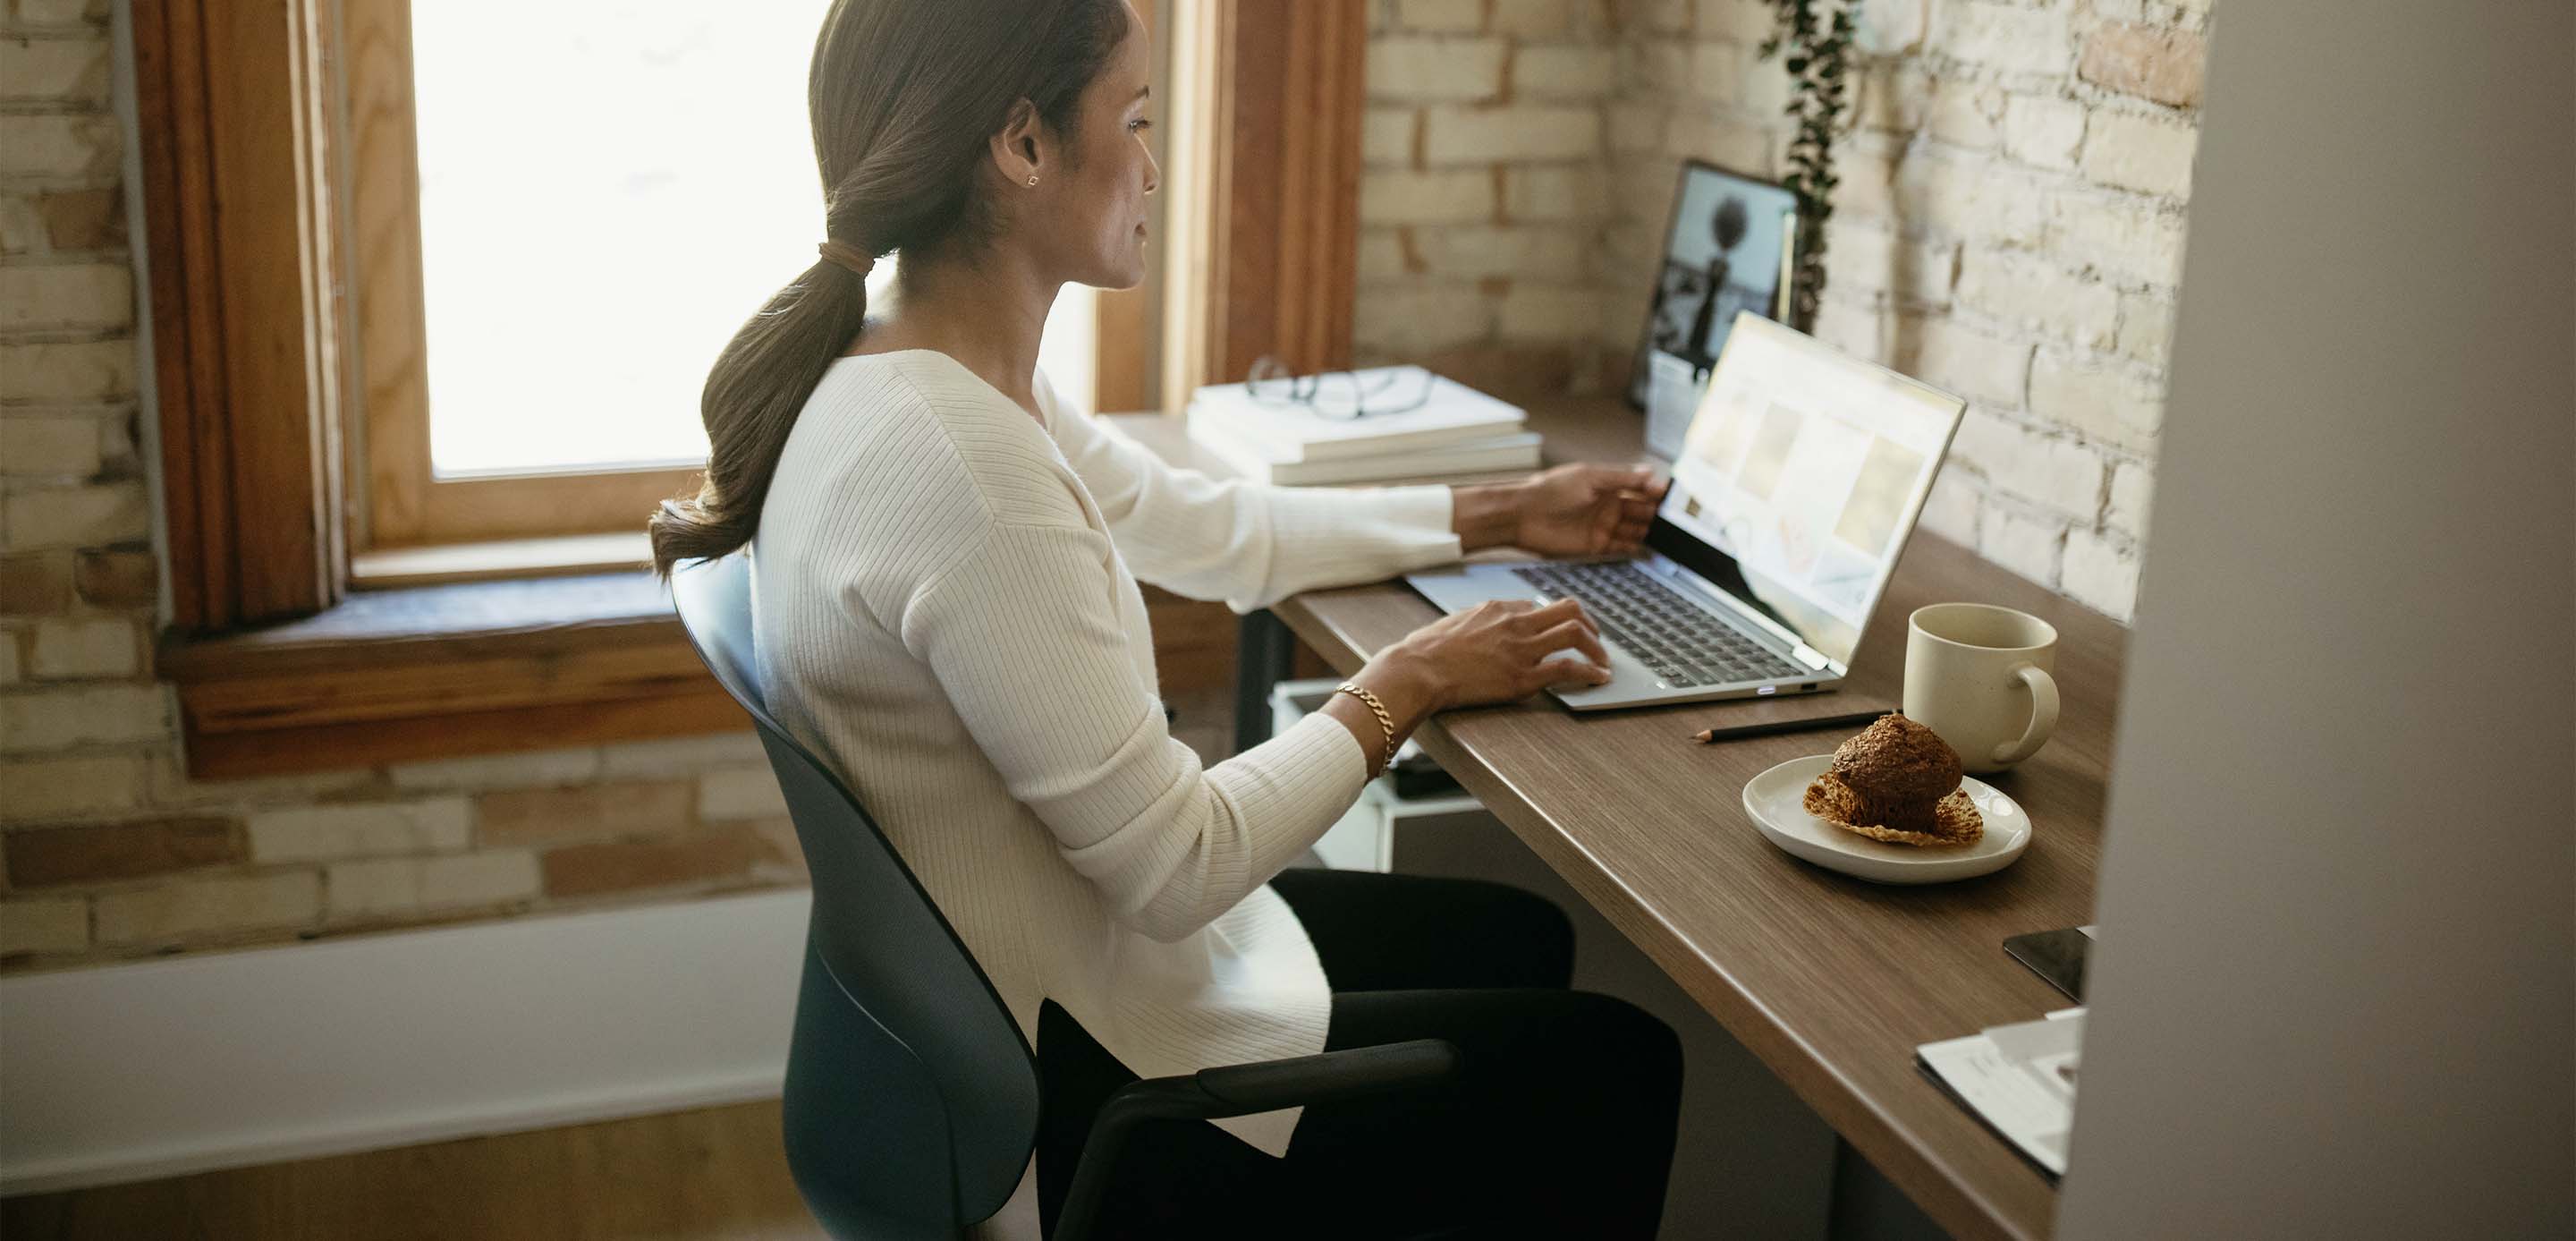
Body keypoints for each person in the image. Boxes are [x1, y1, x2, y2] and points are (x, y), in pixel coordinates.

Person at [647, 2, 1683, 1236]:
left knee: (1513, 937)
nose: (1151, 165)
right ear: (1022, 146)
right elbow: (1179, 864)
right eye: (1133, 120)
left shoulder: (908, 369)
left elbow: (1209, 529)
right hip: (1094, 1082)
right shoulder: (968, 473)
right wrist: (1406, 682)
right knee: (1617, 1063)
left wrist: (1502, 511)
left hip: (1064, 981)